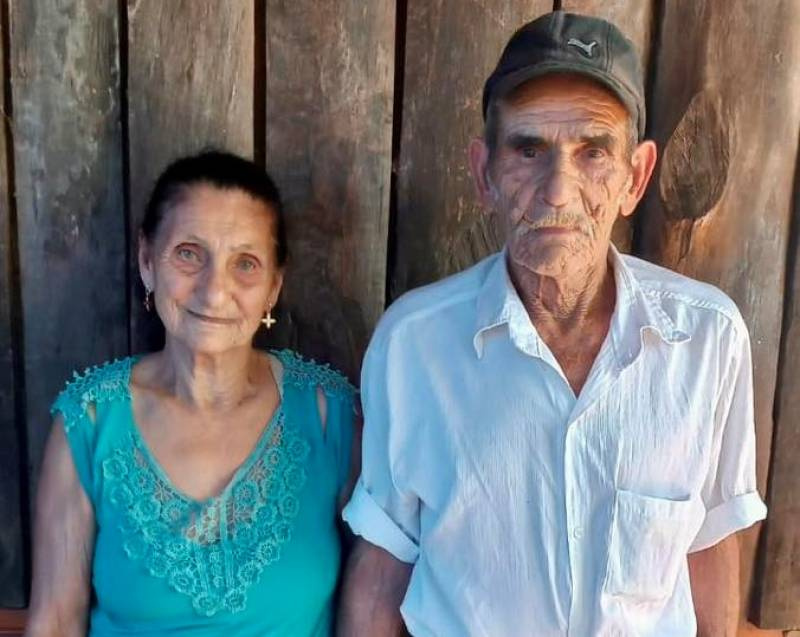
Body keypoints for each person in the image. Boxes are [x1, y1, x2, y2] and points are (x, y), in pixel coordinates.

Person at [339, 11, 767, 637]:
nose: (557, 189)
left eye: (593, 152)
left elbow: (709, 545)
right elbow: (383, 566)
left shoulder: (706, 339)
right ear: (485, 173)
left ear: (635, 178)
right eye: (528, 149)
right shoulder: (413, 346)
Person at [25, 151, 357, 637]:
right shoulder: (90, 421)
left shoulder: (331, 418)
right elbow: (54, 622)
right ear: (146, 261)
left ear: (273, 288)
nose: (213, 291)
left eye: (245, 263)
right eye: (188, 253)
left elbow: (378, 597)